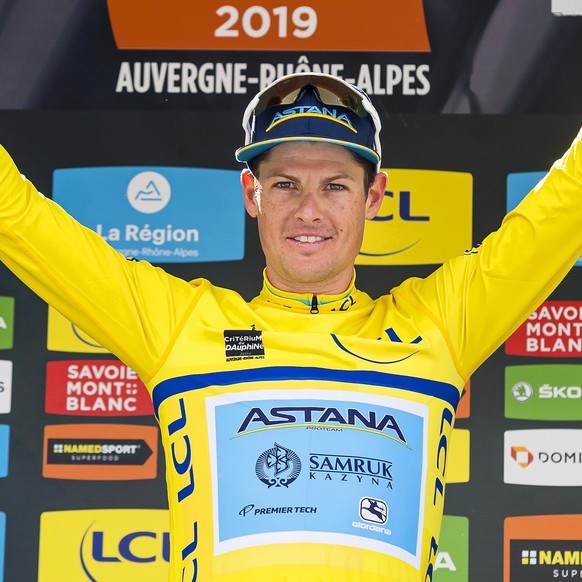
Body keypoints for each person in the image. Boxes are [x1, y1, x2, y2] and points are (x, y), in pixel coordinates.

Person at [0, 72, 581, 582]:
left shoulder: (438, 326)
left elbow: (566, 204)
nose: (309, 210)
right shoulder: (180, 327)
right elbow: (17, 217)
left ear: (373, 196)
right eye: (285, 184)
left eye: (334, 185)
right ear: (251, 193)